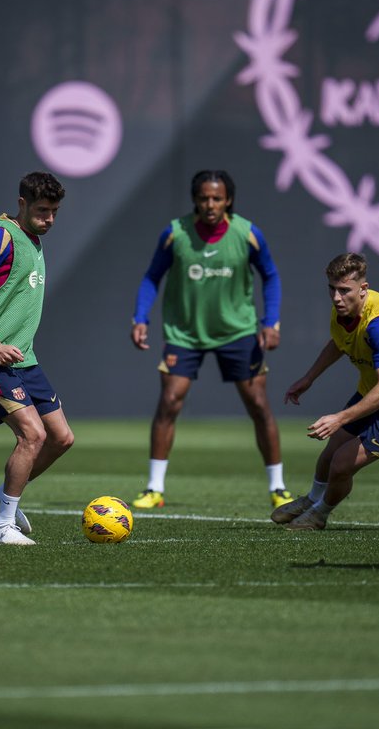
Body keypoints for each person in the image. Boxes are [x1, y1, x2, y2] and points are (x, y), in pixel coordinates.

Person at [129, 169, 287, 510]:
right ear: (195, 199)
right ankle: (154, 488)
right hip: (185, 333)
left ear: (228, 199)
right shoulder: (175, 233)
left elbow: (271, 276)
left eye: (217, 198)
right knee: (169, 402)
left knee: (259, 406)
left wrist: (270, 322)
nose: (210, 204)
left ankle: (278, 487)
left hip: (238, 331)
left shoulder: (247, 234)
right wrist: (140, 317)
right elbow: (151, 277)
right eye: (204, 197)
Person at [274, 253, 379, 529]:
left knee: (341, 464)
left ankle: (319, 514)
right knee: (330, 452)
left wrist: (339, 418)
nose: (337, 298)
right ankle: (311, 499)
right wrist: (309, 377)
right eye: (332, 289)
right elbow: (339, 342)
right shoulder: (343, 310)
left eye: (344, 290)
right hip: (373, 392)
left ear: (363, 289)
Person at [0, 171, 74, 546]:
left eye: (55, 211)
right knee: (32, 434)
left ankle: (1, 495)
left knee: (61, 438)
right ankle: (3, 526)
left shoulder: (33, 238)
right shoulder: (0, 236)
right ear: (22, 203)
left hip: (23, 358)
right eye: (43, 210)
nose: (50, 219)